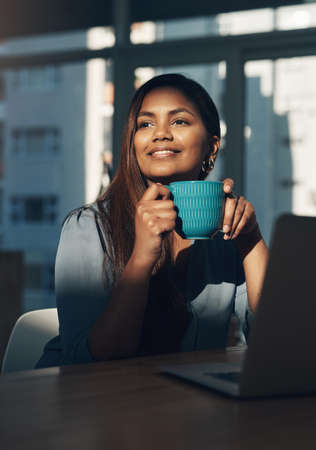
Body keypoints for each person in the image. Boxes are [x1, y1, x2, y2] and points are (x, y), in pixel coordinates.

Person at [36, 73, 268, 368]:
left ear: (212, 146)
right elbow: (92, 358)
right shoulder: (88, 226)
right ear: (133, 143)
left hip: (184, 402)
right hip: (89, 402)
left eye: (179, 121)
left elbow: (274, 337)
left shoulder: (225, 232)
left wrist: (251, 240)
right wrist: (142, 257)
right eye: (145, 124)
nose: (160, 134)